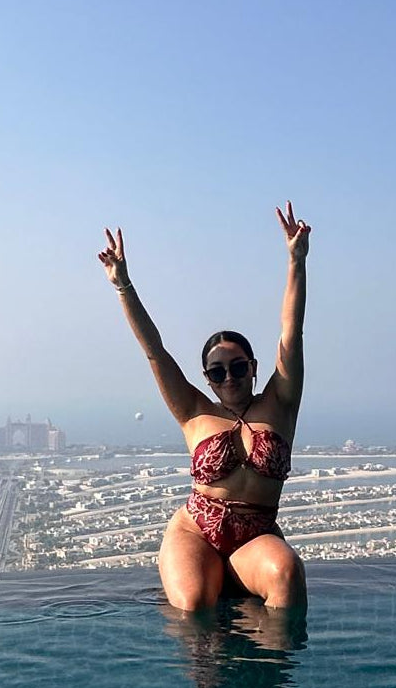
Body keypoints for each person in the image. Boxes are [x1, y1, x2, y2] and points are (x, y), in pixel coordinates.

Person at [98, 202, 310, 612]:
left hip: (255, 535)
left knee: (287, 575)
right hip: (195, 531)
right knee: (194, 605)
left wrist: (296, 261)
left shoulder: (281, 403)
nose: (228, 378)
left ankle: (272, 673)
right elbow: (155, 351)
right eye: (217, 372)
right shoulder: (193, 411)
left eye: (237, 367)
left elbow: (292, 333)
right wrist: (123, 285)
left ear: (253, 368)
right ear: (207, 378)